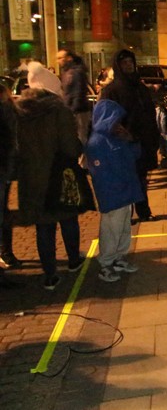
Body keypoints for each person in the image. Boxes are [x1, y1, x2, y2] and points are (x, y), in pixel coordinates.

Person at [16, 62, 85, 289]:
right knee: (67, 217)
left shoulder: (20, 111)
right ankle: (74, 260)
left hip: (32, 177)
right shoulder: (58, 110)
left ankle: (50, 274)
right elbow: (70, 147)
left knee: (43, 226)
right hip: (57, 174)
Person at [85, 100, 144, 282]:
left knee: (124, 226)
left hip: (126, 190)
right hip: (114, 193)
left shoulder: (115, 137)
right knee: (111, 229)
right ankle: (106, 263)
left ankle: (119, 257)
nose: (118, 123)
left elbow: (134, 157)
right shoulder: (97, 142)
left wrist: (131, 140)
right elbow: (101, 174)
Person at [100, 50, 160, 221]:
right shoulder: (112, 90)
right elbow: (107, 119)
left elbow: (148, 113)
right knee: (126, 180)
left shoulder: (140, 88)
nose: (128, 65)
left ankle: (144, 211)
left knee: (141, 179)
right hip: (123, 143)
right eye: (124, 62)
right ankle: (127, 214)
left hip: (141, 141)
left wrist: (153, 136)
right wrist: (122, 135)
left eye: (130, 62)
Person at [0, 82, 21, 275]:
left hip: (5, 168)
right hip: (4, 168)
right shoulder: (9, 108)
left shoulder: (8, 108)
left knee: (4, 214)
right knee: (4, 214)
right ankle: (6, 253)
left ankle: (6, 253)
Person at [57, 49, 92, 149]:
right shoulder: (68, 72)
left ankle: (83, 161)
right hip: (73, 110)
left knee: (81, 137)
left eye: (60, 58)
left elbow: (78, 92)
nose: (58, 61)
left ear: (69, 58)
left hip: (78, 111)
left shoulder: (75, 73)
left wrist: (73, 110)